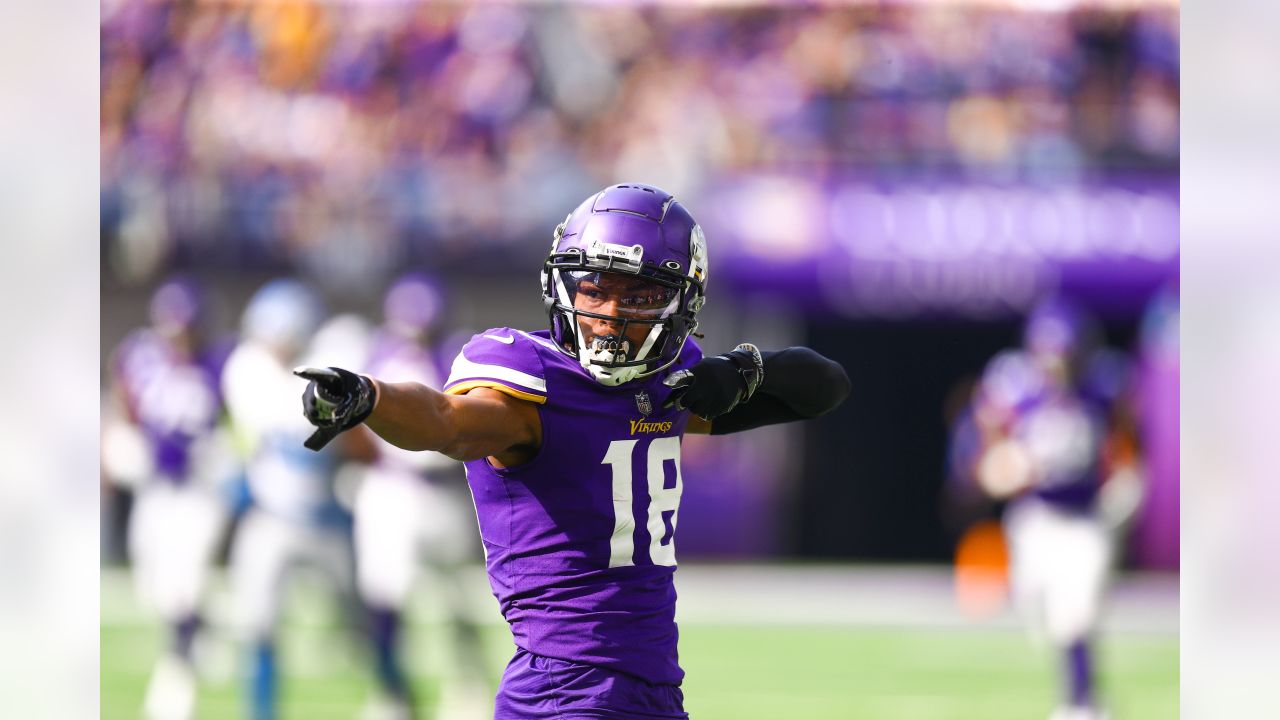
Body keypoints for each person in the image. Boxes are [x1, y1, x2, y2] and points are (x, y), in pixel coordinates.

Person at [293, 183, 850, 719]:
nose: (610, 311)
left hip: (646, 687)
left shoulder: (668, 382)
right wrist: (369, 396)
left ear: (684, 300)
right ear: (564, 285)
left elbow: (824, 387)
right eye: (594, 288)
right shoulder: (534, 380)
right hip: (568, 686)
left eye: (640, 295)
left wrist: (746, 369)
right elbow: (446, 423)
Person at [967, 298, 1143, 720]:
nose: (1057, 367)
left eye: (1065, 356)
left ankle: (1080, 705)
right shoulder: (1014, 387)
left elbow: (1129, 441)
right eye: (1049, 357)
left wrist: (1127, 482)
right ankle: (1086, 698)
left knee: (1076, 611)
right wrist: (999, 469)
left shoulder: (1103, 385)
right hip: (1034, 518)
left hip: (1085, 519)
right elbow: (982, 451)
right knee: (1043, 615)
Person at [221, 280, 364, 720]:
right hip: (271, 516)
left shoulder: (336, 355)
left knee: (364, 623)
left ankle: (395, 699)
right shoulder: (247, 370)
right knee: (257, 625)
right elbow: (271, 438)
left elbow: (353, 441)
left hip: (327, 515)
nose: (275, 345)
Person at [353, 273, 491, 720]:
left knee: (454, 599)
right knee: (385, 598)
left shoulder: (458, 357)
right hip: (391, 488)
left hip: (444, 489)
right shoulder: (377, 354)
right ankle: (391, 691)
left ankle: (468, 682)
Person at [102, 277, 238, 720]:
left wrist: (222, 457)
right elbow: (123, 398)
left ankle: (174, 680)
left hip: (199, 489)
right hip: (156, 489)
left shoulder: (219, 364)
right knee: (155, 587)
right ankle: (202, 626)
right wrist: (124, 441)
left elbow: (235, 424)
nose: (179, 337)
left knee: (185, 581)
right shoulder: (140, 357)